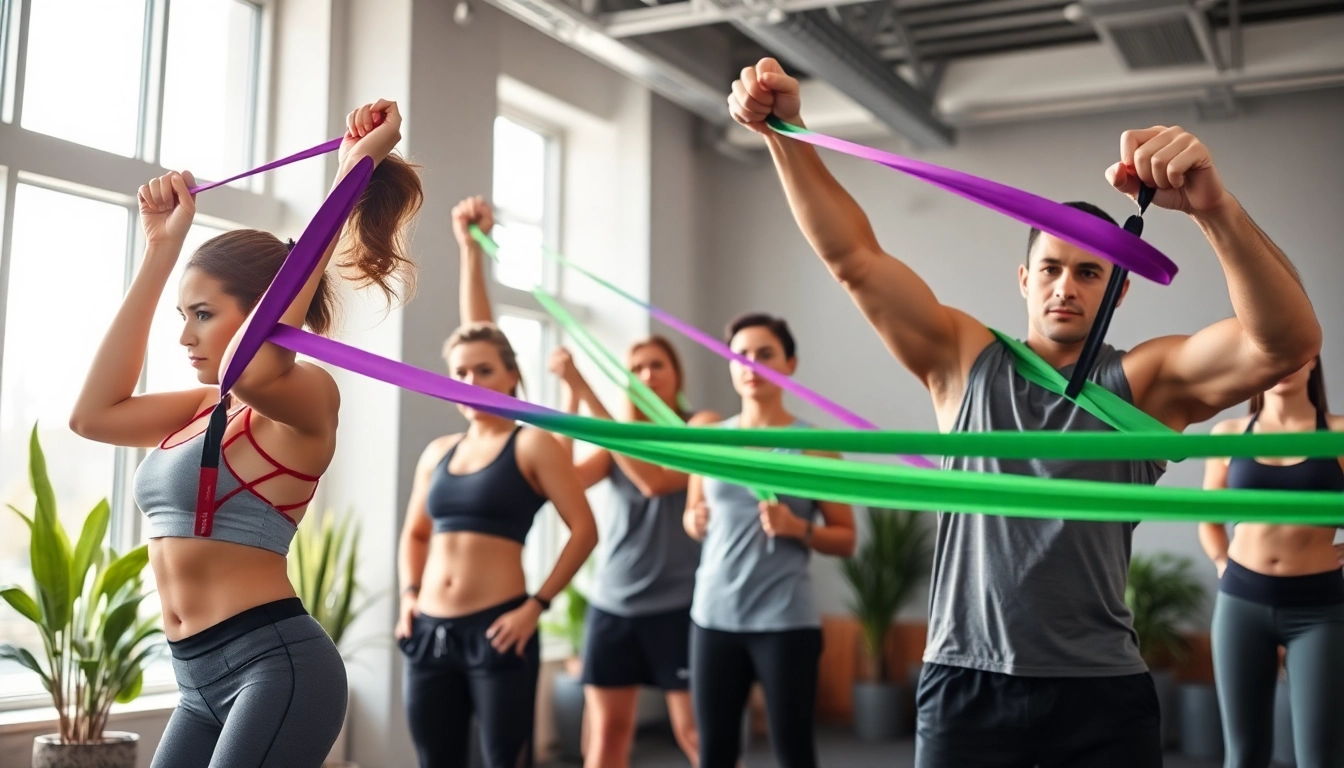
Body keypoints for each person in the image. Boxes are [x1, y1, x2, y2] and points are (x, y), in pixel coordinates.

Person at [727, 57, 1322, 767]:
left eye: (1090, 271)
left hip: (1101, 691)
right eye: (1051, 267)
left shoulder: (1145, 383)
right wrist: (784, 132)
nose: (1066, 286)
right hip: (965, 682)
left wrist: (1213, 209)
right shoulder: (962, 358)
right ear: (1024, 278)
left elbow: (1285, 344)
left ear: (1119, 291)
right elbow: (854, 257)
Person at [70, 100, 421, 768]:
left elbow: (249, 362)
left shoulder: (308, 395)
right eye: (184, 313)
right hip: (196, 679)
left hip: (276, 666)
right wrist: (160, 249)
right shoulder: (202, 407)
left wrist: (353, 176)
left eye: (203, 313)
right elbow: (93, 416)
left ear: (262, 311)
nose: (185, 334)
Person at [397, 196, 598, 768]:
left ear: (512, 376)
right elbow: (415, 536)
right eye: (460, 373)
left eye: (485, 370)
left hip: (501, 629)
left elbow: (583, 530)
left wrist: (537, 605)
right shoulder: (438, 452)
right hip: (428, 634)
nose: (471, 380)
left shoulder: (532, 442)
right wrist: (410, 597)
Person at [682, 313, 856, 768]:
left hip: (785, 622)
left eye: (765, 354)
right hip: (713, 617)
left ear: (789, 364)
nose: (751, 364)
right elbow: (694, 515)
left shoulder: (817, 445)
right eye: (740, 355)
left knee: (793, 752)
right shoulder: (709, 440)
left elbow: (846, 539)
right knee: (714, 753)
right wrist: (694, 519)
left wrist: (798, 527)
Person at [548, 338, 715, 767]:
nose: (647, 375)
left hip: (679, 606)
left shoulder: (700, 427)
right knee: (606, 738)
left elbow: (654, 481)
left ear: (677, 373)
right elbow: (563, 478)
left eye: (657, 364)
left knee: (698, 735)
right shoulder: (620, 438)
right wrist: (570, 393)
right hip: (614, 605)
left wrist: (586, 390)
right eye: (636, 368)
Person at [1200, 356, 1344, 768]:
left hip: (1319, 609)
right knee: (1243, 755)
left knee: (1321, 758)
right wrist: (1220, 562)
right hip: (1241, 603)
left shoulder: (1338, 433)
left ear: (1315, 358)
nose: (1284, 363)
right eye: (1274, 353)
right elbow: (1208, 520)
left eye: (1295, 353)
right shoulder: (1228, 434)